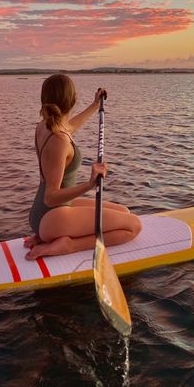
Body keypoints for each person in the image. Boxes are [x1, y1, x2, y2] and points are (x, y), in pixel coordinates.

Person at [25, 74, 141, 260]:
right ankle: (69, 244)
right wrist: (89, 184)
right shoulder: (60, 140)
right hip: (53, 215)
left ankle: (48, 236)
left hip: (41, 215)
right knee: (133, 226)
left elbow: (68, 127)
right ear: (73, 100)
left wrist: (95, 105)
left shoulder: (44, 127)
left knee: (124, 212)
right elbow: (51, 196)